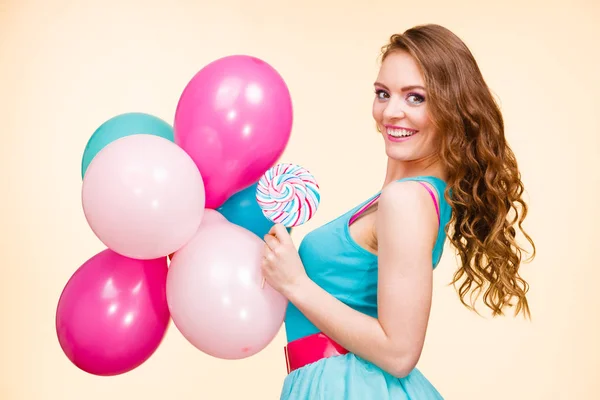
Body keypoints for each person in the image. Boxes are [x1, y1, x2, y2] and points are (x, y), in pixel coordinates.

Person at [260, 23, 536, 399]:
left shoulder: (406, 201)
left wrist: (295, 283)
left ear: (451, 107)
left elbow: (400, 352)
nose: (391, 112)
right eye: (383, 93)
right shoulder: (409, 196)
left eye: (415, 98)